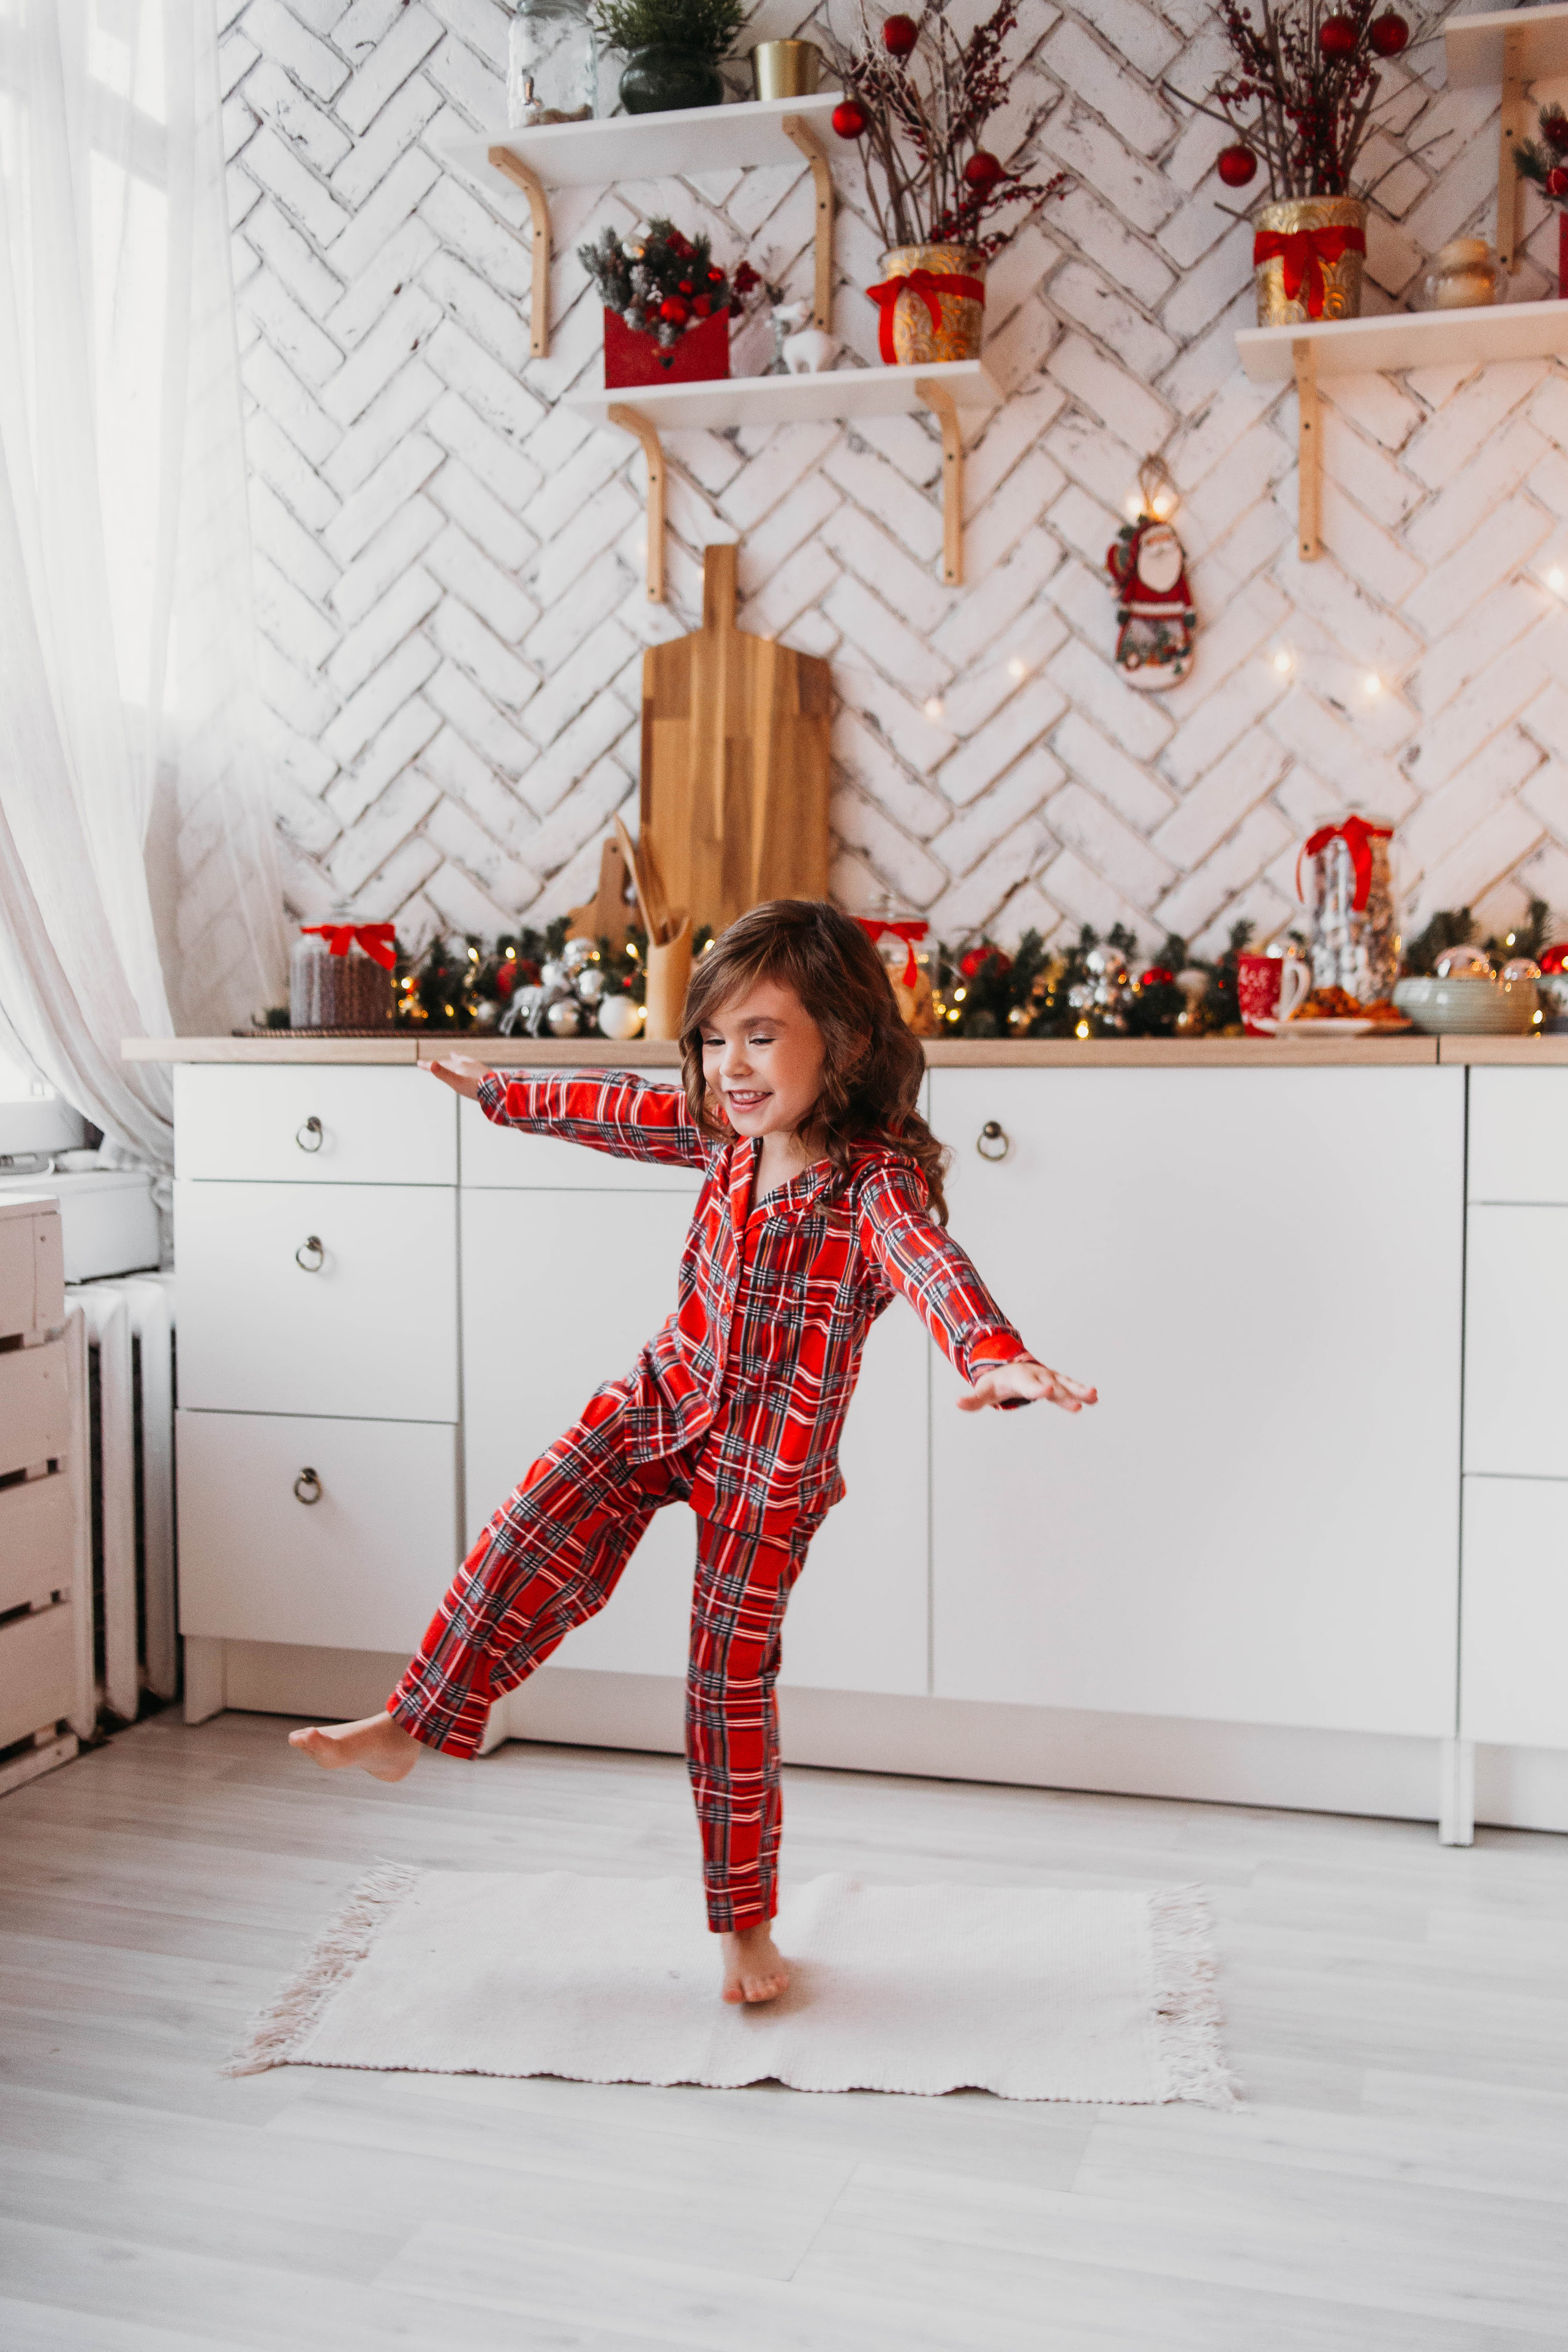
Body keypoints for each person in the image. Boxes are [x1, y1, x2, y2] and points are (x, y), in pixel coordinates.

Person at [290, 900, 1096, 2005]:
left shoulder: (871, 1184)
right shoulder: (727, 1139)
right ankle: (414, 1721)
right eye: (716, 1039)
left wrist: (995, 1356)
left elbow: (929, 1263)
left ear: (847, 1042)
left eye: (761, 1036)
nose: (731, 1066)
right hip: (663, 1401)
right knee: (535, 1520)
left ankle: (745, 1931)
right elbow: (616, 1108)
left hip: (770, 1469)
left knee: (724, 1687)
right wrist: (503, 1093)